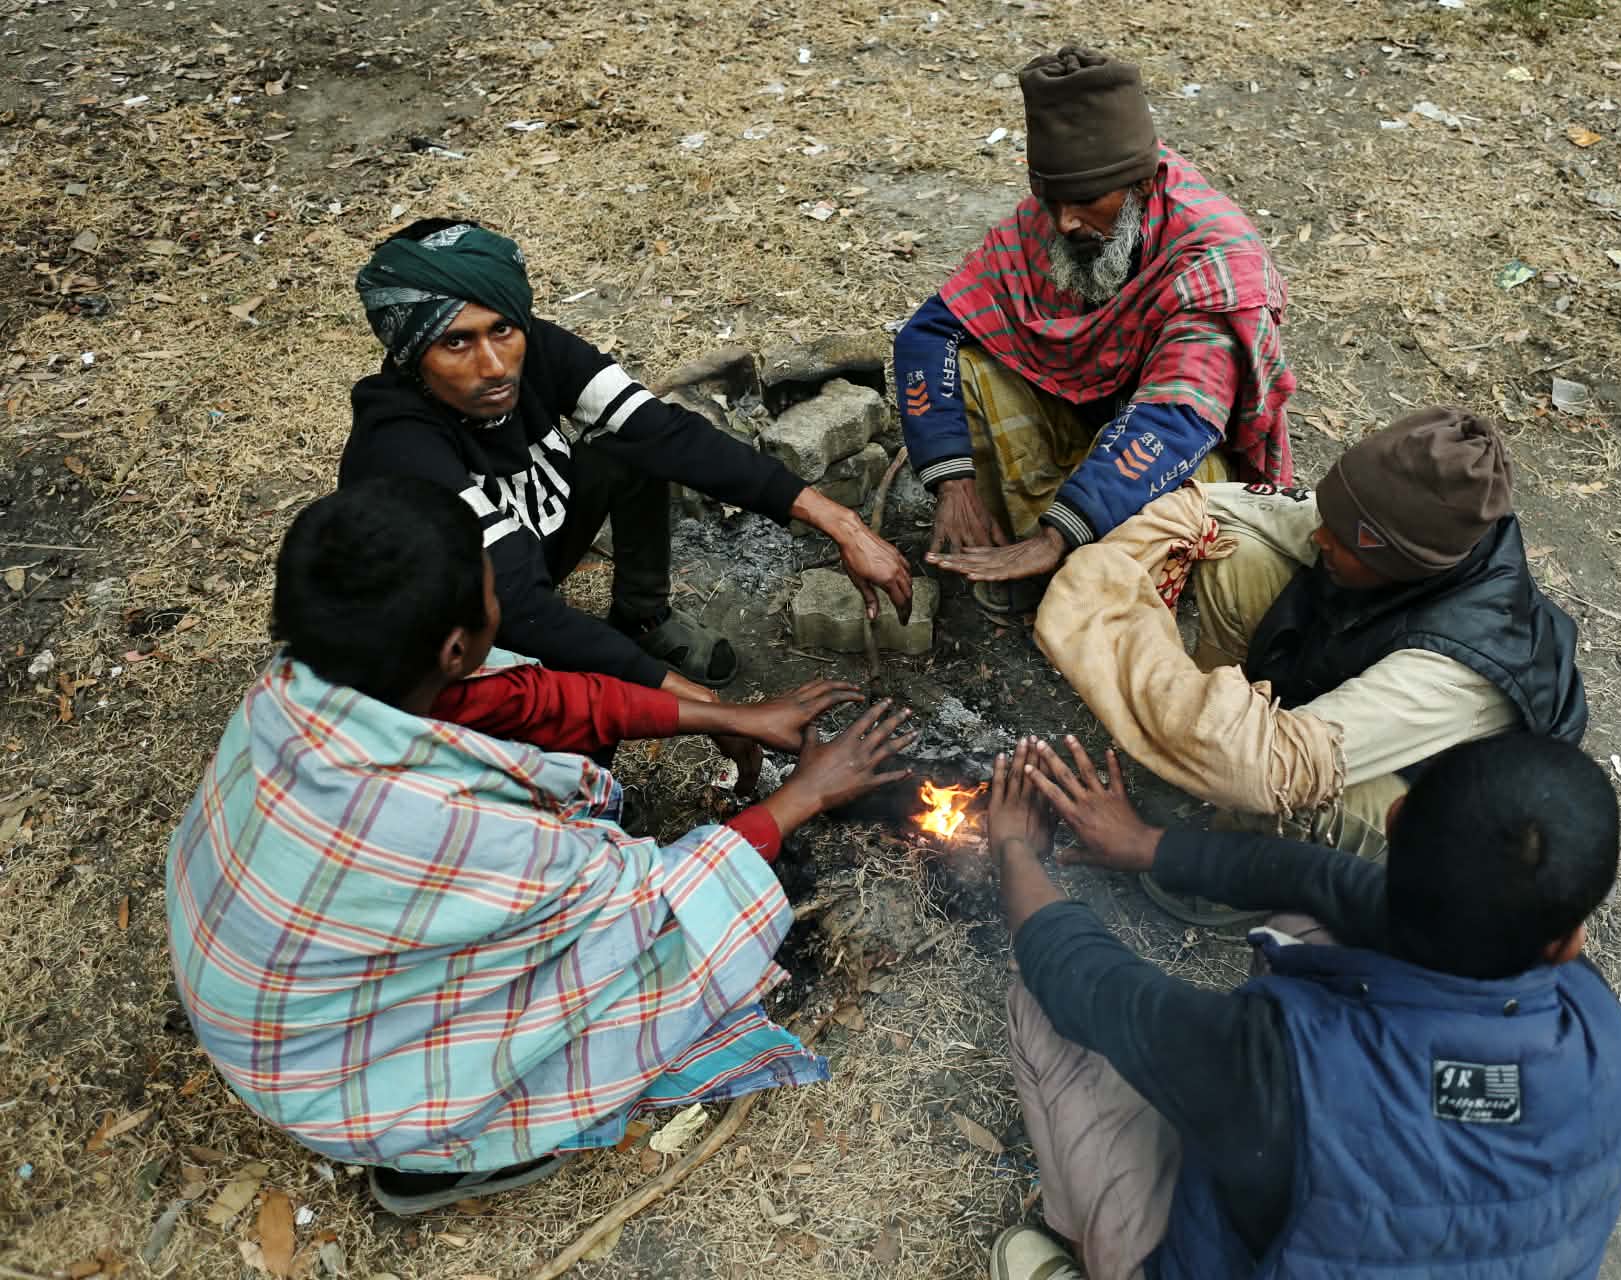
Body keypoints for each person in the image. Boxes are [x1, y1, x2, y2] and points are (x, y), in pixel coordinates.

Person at [165, 479, 919, 1215]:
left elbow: (532, 699)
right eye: (496, 585)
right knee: (650, 959)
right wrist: (804, 798)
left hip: (261, 996)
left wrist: (727, 714)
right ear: (458, 645)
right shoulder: (436, 822)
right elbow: (648, 899)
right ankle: (429, 1160)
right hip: (328, 1077)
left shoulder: (309, 682)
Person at [981, 731, 1621, 1280]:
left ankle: (1088, 1252)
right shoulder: (1599, 1026)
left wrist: (1014, 847)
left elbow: (1086, 982)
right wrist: (1153, 846)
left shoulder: (1274, 1070)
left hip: (1285, 1151)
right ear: (1568, 942)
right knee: (1307, 923)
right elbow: (1327, 882)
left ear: (1394, 818)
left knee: (1038, 1001)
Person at [1034, 406, 1587, 921]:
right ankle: (1203, 754)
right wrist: (1117, 568)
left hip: (1444, 826)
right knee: (1239, 556)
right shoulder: (1393, 531)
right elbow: (1204, 506)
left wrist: (1116, 622)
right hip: (1369, 697)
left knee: (1295, 790)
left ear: (1400, 561)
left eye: (1344, 538)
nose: (1322, 534)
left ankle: (1232, 876)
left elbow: (1273, 768)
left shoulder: (1458, 672)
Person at [343, 217, 912, 695]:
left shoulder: (538, 348)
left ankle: (643, 615)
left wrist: (841, 521)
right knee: (579, 709)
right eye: (456, 342)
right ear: (413, 349)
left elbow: (664, 433)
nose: (494, 365)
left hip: (522, 560)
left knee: (631, 449)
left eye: (502, 328)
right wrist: (687, 702)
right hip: (447, 638)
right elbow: (516, 607)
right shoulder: (400, 446)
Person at [894, 46, 1295, 619]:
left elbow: (1174, 416)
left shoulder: (1213, 260)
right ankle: (1015, 549)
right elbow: (927, 334)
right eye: (1051, 201)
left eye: (1083, 203)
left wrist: (1060, 532)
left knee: (1196, 485)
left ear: (1138, 184)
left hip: (1162, 443)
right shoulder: (1054, 219)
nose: (1064, 223)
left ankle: (1099, 594)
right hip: (1077, 412)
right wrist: (954, 481)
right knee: (967, 371)